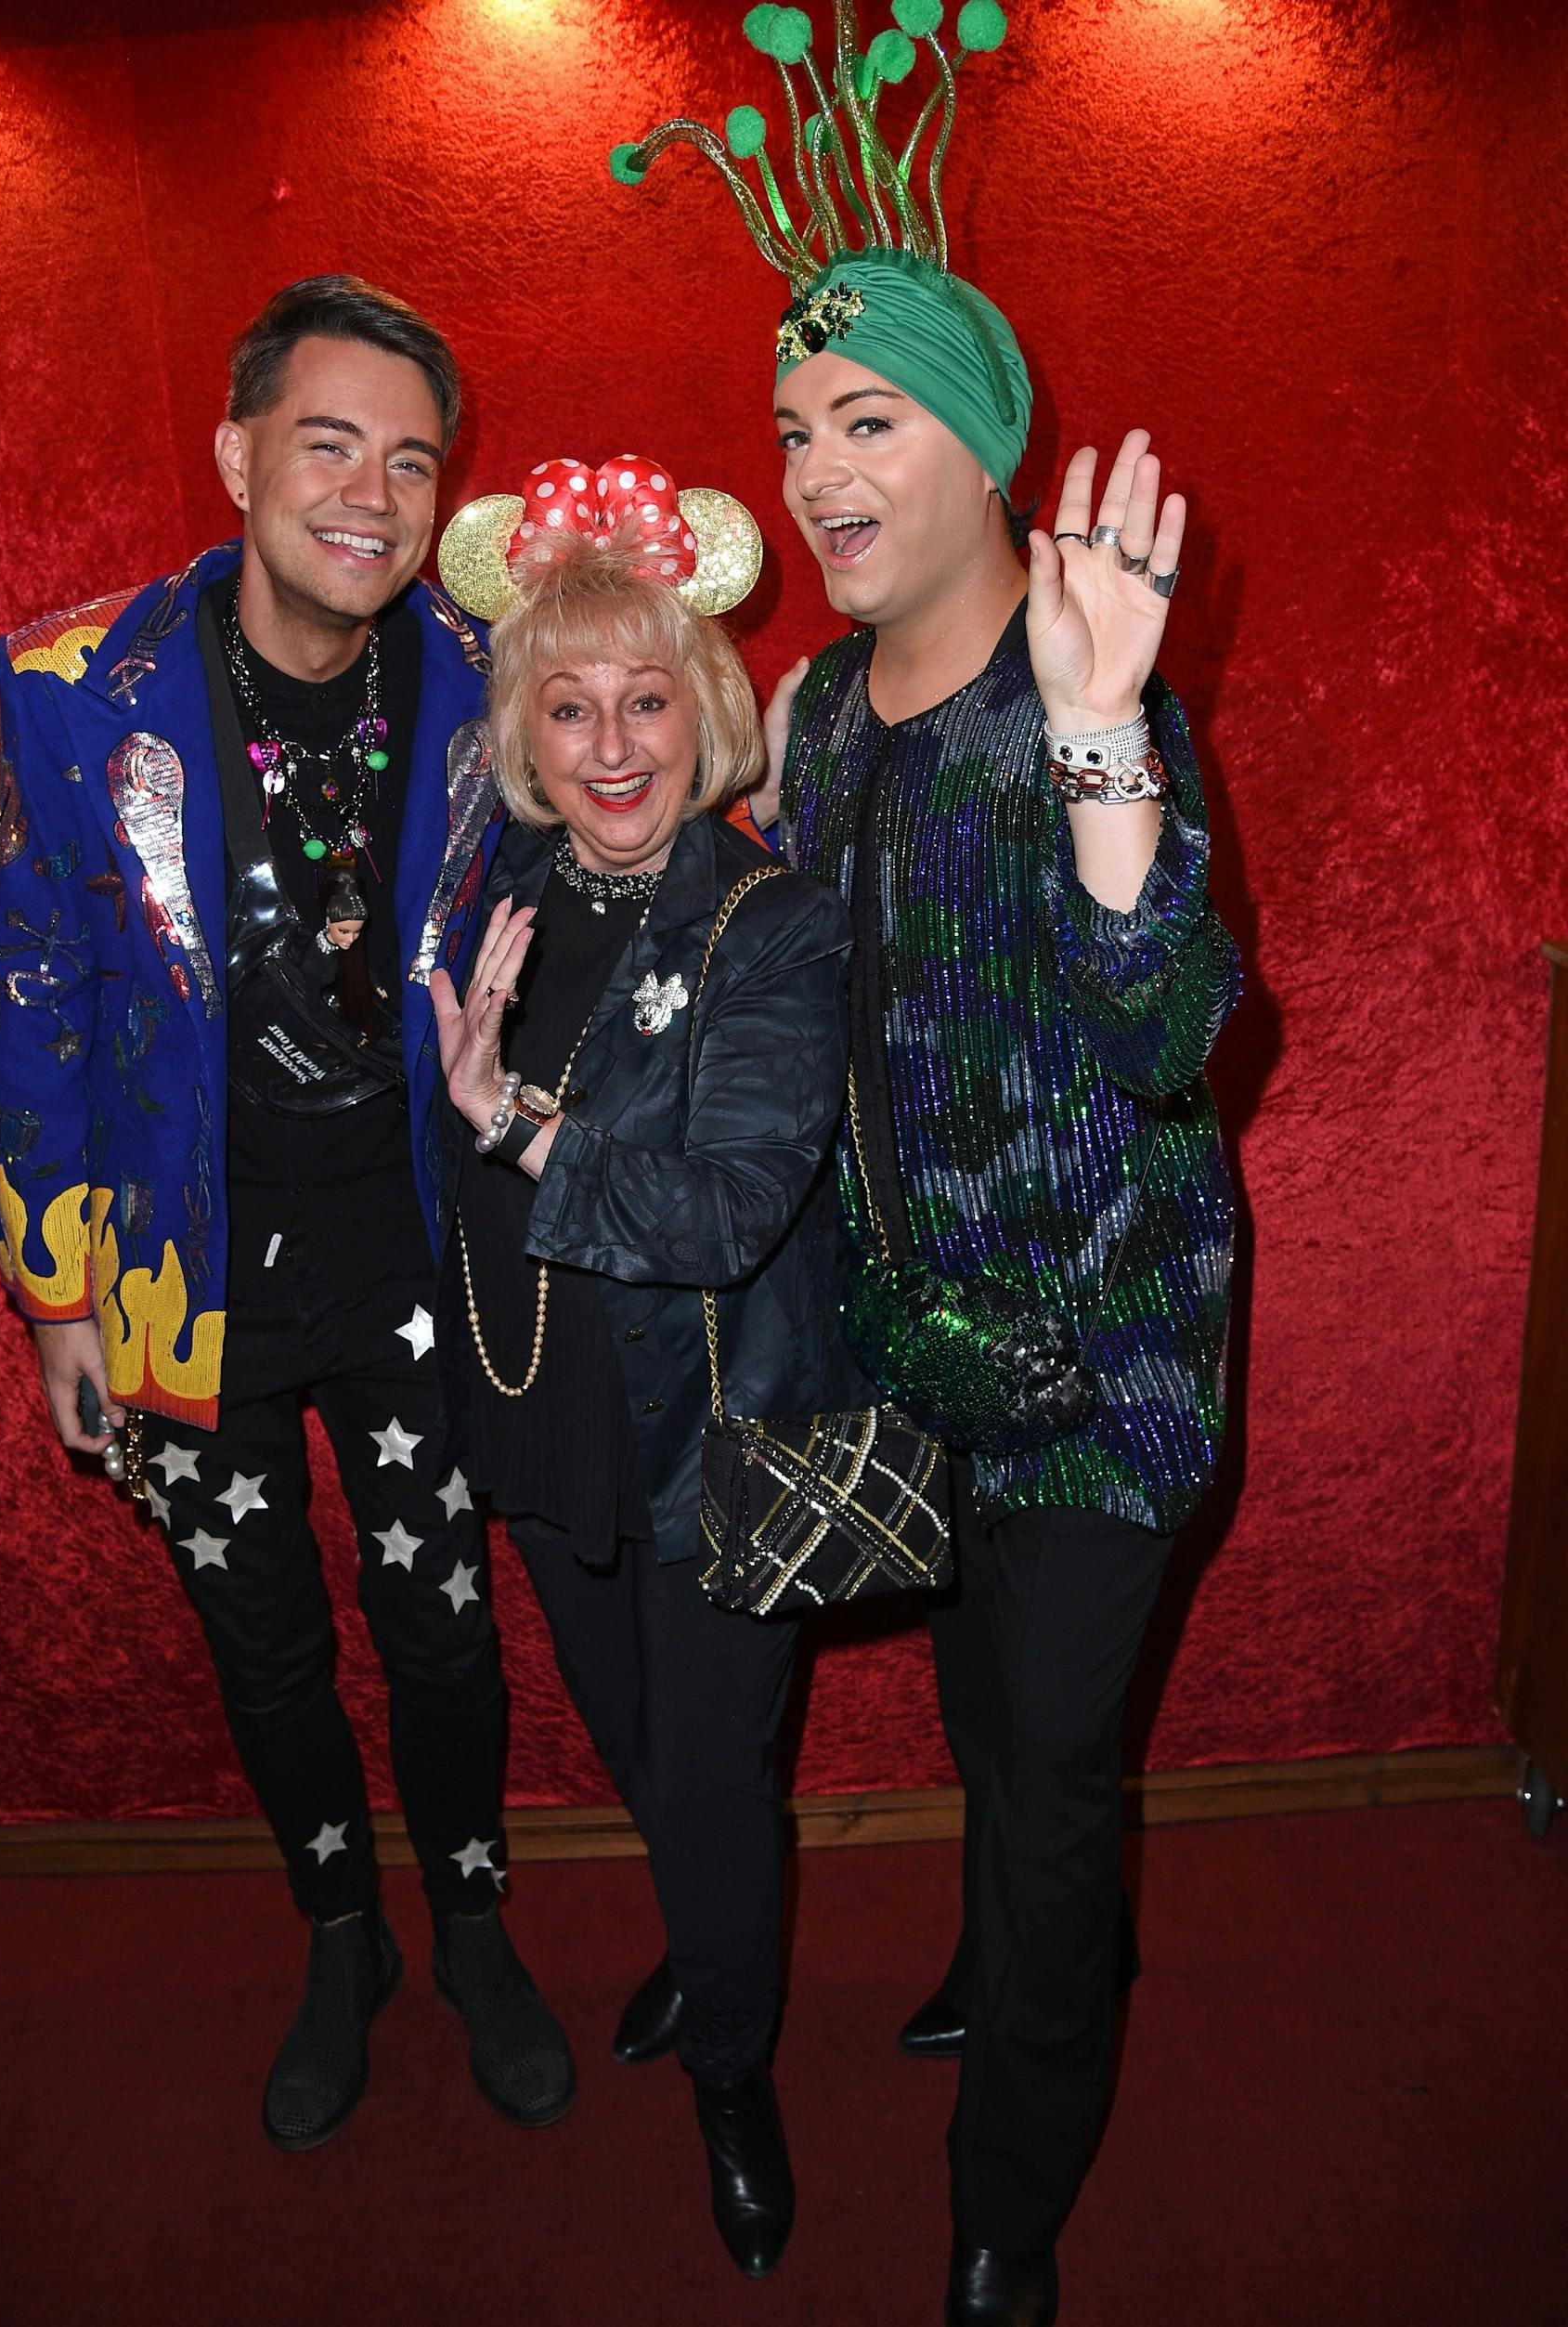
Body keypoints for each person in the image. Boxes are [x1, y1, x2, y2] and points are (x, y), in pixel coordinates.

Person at [614, 12, 1239, 2323]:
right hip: (904, 1342)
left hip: (1103, 1361)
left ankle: (1012, 2196)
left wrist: (1096, 737)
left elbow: (1174, 1025)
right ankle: (989, 1951)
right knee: (984, 1725)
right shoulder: (804, 716)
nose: (814, 468)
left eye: (866, 419)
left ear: (985, 448)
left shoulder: (1100, 695)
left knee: (1055, 1769)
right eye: (794, 429)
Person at [0, 274, 573, 2153]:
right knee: (264, 1636)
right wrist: (56, 1288)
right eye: (329, 444)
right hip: (180, 1257)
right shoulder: (73, 688)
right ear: (237, 452)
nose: (371, 496)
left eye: (409, 460)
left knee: (443, 1617)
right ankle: (342, 1929)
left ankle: (469, 1911)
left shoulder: (492, 668)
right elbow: (27, 981)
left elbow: (631, 836)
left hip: (408, 1234)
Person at [428, 465, 860, 2279]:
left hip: (715, 1447)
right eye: (570, 700)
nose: (613, 744)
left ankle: (735, 2072)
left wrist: (518, 1115)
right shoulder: (499, 874)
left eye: (649, 694)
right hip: (540, 1416)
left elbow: (727, 1204)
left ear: (709, 703)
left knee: (710, 1785)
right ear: (525, 724)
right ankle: (701, 1934)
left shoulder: (767, 924)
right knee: (632, 1749)